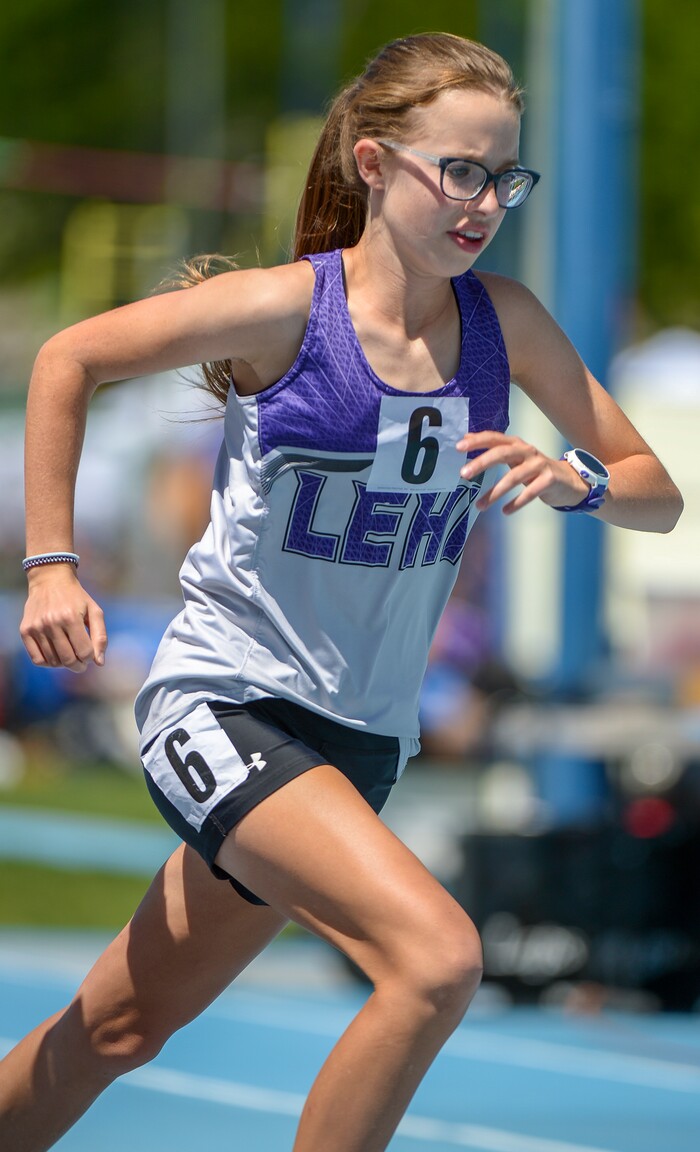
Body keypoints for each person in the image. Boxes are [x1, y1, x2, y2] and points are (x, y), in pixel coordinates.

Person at [1, 31, 682, 1152]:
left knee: (117, 1028)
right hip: (228, 705)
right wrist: (52, 564)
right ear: (374, 163)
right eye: (458, 171)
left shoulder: (504, 324)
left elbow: (657, 494)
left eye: (503, 177)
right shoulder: (286, 312)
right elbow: (65, 359)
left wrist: (580, 481)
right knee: (436, 959)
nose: (484, 203)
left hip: (359, 741)